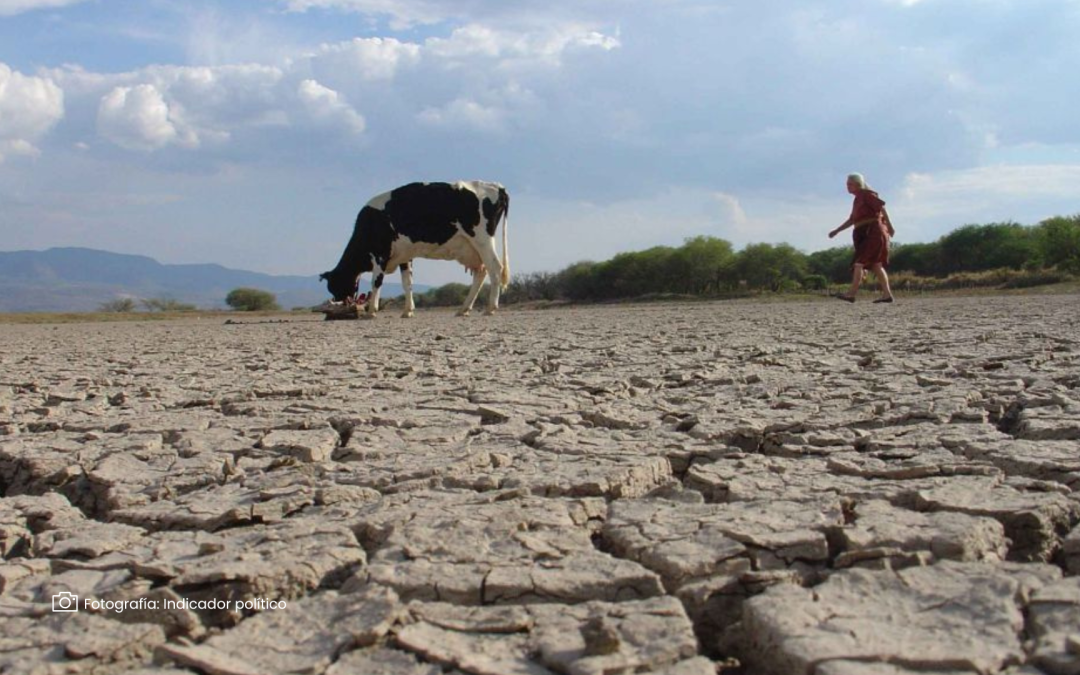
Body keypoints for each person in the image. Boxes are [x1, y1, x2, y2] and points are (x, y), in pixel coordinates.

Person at [828, 173, 895, 303]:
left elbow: (881, 208)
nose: (847, 187)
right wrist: (837, 230)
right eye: (847, 184)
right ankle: (887, 295)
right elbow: (852, 219)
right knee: (876, 265)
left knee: (859, 263)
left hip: (873, 232)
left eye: (850, 184)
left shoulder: (867, 194)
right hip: (863, 232)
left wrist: (890, 227)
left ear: (858, 184)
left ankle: (851, 294)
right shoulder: (857, 199)